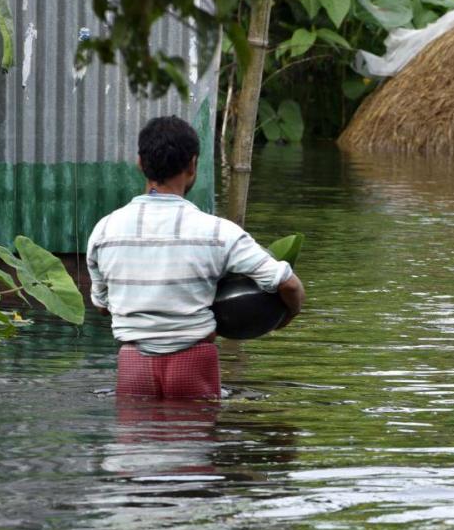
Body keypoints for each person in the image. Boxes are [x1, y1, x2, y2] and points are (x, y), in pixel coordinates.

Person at [87, 116, 305, 400]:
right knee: (194, 438)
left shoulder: (104, 231)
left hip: (133, 367)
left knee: (134, 442)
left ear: (140, 163)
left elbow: (103, 307)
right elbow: (289, 286)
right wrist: (283, 317)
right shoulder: (218, 233)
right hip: (193, 364)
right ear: (192, 165)